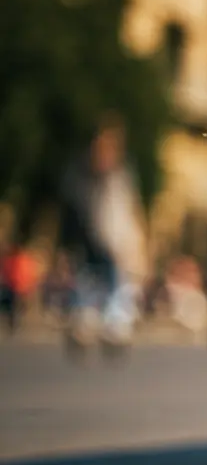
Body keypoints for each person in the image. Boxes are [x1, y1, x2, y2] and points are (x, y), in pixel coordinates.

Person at [57, 113, 149, 358]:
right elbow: (71, 216)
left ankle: (114, 330)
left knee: (119, 287)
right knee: (88, 284)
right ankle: (85, 327)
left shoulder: (122, 177)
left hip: (118, 243)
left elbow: (131, 210)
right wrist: (66, 248)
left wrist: (137, 243)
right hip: (90, 243)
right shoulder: (79, 178)